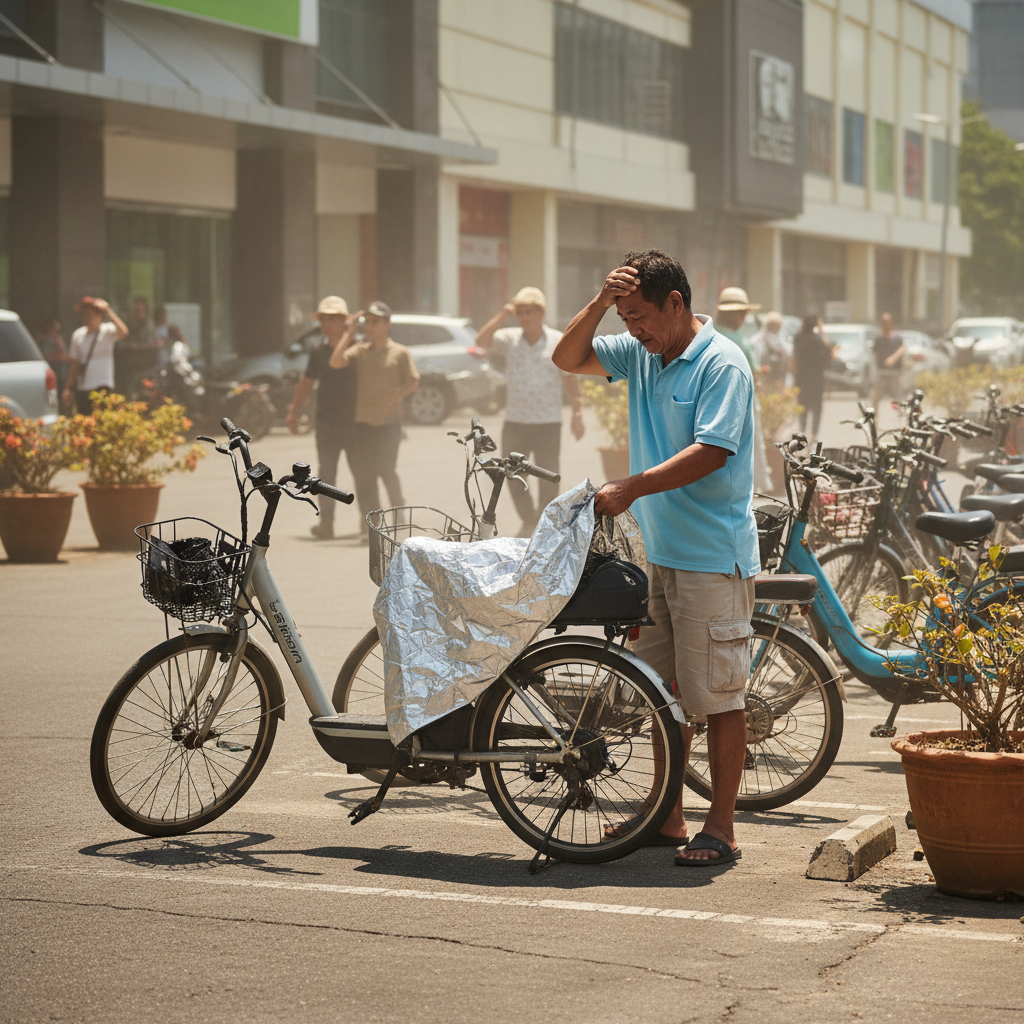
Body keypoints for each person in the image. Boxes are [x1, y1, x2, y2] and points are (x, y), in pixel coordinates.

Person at [553, 249, 759, 866]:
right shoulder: (641, 354)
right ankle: (668, 817)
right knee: (660, 693)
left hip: (711, 557)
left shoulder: (722, 364)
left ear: (676, 304)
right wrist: (597, 302)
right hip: (659, 556)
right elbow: (566, 358)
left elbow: (711, 451)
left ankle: (720, 827)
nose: (632, 330)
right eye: (623, 317)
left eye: (640, 315)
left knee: (719, 696)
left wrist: (632, 486)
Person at [475, 287, 585, 535]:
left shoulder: (558, 339)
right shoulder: (509, 338)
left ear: (541, 312)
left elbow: (570, 378)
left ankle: (543, 520)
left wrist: (577, 413)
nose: (524, 318)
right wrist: (503, 314)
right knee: (511, 473)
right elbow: (480, 342)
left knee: (547, 474)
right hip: (516, 421)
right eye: (520, 312)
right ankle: (528, 518)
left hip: (548, 421)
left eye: (529, 312)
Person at [328, 301, 420, 536]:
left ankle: (400, 516)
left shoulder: (399, 352)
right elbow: (335, 361)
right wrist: (349, 333)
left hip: (390, 424)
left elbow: (413, 381)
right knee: (365, 477)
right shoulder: (360, 351)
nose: (370, 326)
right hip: (364, 425)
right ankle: (373, 525)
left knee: (386, 470)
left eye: (376, 322)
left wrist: (396, 395)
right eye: (367, 322)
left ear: (387, 324)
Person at [286, 296, 359, 540]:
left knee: (362, 472)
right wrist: (293, 411)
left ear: (343, 321)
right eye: (323, 319)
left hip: (355, 422)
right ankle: (326, 524)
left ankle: (367, 524)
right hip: (326, 421)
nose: (326, 324)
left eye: (331, 319)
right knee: (326, 474)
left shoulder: (357, 347)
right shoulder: (318, 349)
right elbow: (307, 381)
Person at [714, 287, 772, 493]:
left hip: (712, 400)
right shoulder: (740, 341)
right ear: (738, 315)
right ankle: (756, 483)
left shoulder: (709, 334)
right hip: (740, 400)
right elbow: (755, 373)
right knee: (749, 442)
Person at [63, 297, 129, 415]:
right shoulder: (78, 335)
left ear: (99, 315)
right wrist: (68, 388)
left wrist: (108, 310)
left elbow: (123, 332)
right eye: (84, 314)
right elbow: (74, 364)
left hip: (102, 386)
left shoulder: (107, 330)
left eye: (90, 314)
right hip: (83, 387)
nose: (86, 318)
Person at [791, 315, 835, 439]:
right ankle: (814, 435)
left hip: (801, 378)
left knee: (802, 407)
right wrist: (821, 331)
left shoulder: (798, 338)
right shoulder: (818, 340)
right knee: (816, 408)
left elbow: (794, 357)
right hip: (816, 378)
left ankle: (802, 431)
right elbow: (829, 353)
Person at [871, 312, 905, 409]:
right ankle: (873, 419)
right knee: (875, 397)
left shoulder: (897, 338)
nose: (885, 324)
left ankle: (902, 418)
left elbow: (901, 349)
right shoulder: (878, 339)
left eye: (887, 322)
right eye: (883, 322)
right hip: (881, 371)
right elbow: (875, 352)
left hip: (895, 372)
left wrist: (893, 358)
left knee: (898, 397)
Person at [750, 311, 790, 387]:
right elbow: (788, 354)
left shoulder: (758, 339)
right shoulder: (781, 340)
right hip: (777, 377)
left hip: (766, 376)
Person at [36, 319, 70, 403]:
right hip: (50, 370)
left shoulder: (58, 338)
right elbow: (45, 355)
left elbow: (64, 353)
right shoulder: (45, 339)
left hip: (60, 372)